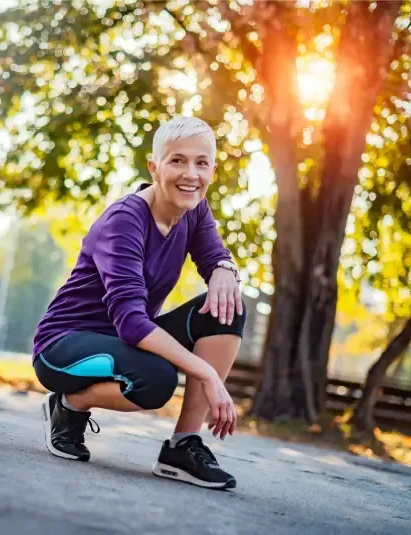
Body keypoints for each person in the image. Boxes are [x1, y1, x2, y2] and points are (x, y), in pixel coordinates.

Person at [32, 116, 246, 490]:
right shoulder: (125, 220)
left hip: (126, 340)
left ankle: (182, 446)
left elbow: (214, 256)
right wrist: (206, 373)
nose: (190, 173)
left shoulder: (194, 208)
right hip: (64, 345)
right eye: (177, 160)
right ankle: (68, 405)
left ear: (213, 168)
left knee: (228, 308)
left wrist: (225, 269)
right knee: (155, 381)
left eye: (201, 162)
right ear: (155, 166)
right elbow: (131, 321)